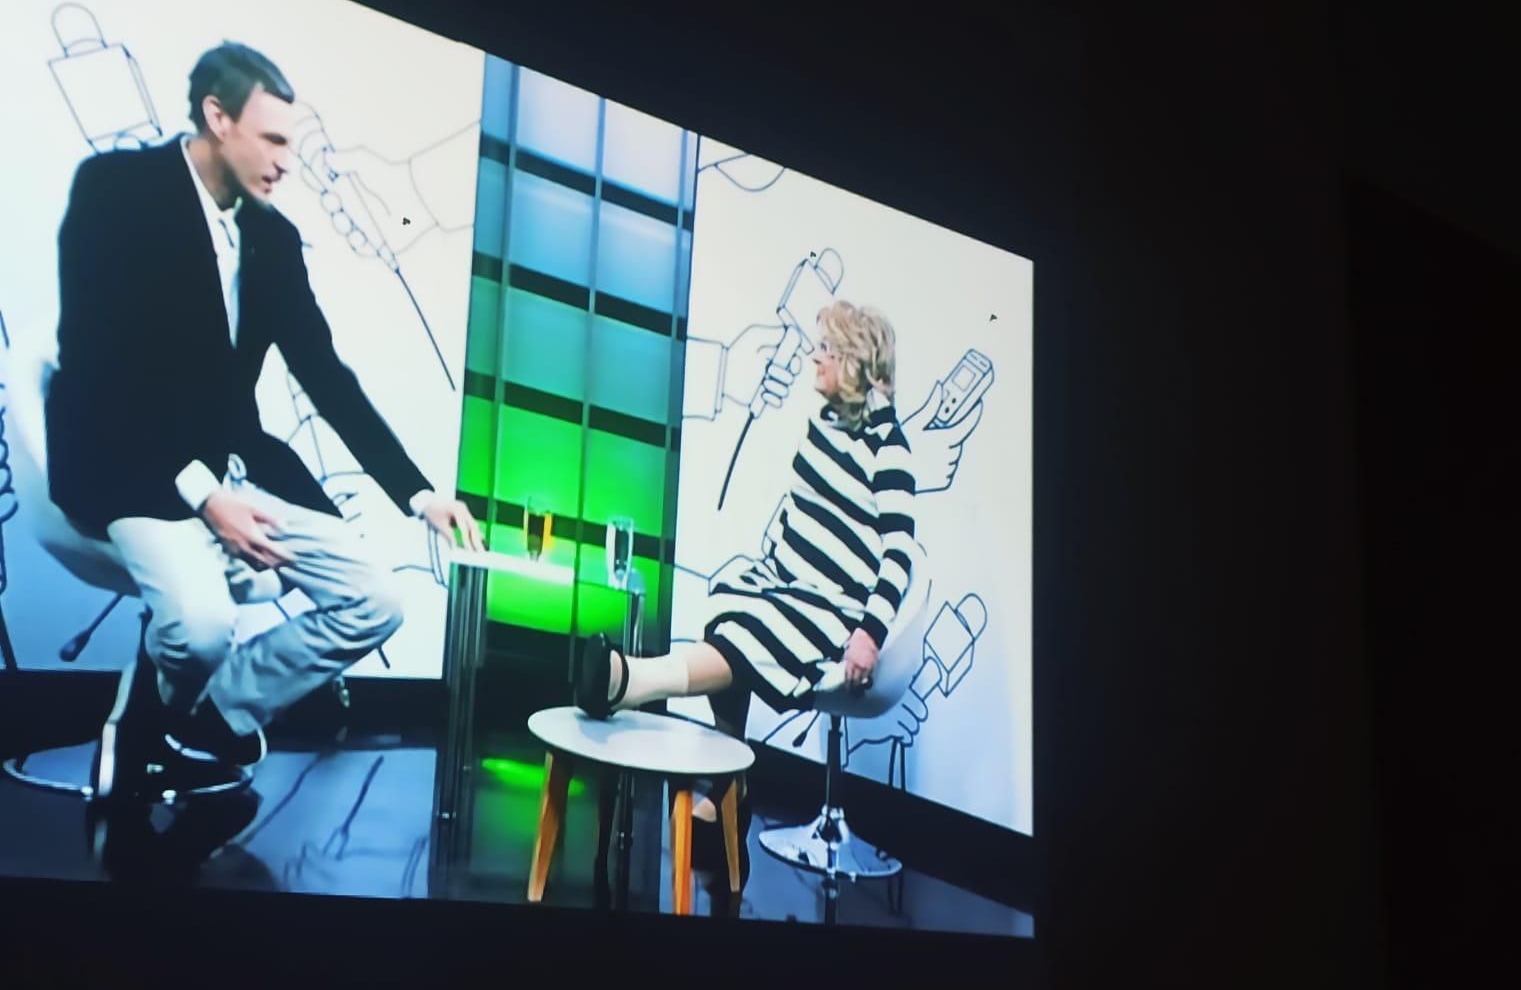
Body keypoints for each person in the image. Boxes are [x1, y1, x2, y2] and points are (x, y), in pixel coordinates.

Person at [46, 41, 484, 792]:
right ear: (217, 117)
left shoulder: (272, 239)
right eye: (274, 140)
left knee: (376, 600)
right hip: (127, 464)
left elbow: (325, 375)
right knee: (201, 629)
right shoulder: (117, 190)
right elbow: (97, 368)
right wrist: (202, 495)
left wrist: (418, 494)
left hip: (231, 468)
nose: (286, 162)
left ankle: (212, 716)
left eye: (292, 144)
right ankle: (152, 708)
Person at [573, 300, 915, 833]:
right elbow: (801, 509)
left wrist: (869, 635)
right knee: (730, 597)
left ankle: (632, 681)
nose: (813, 356)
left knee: (751, 627)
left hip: (833, 606)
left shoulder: (888, 447)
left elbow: (899, 554)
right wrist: (767, 568)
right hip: (786, 582)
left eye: (825, 348)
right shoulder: (823, 424)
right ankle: (730, 783)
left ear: (853, 361)